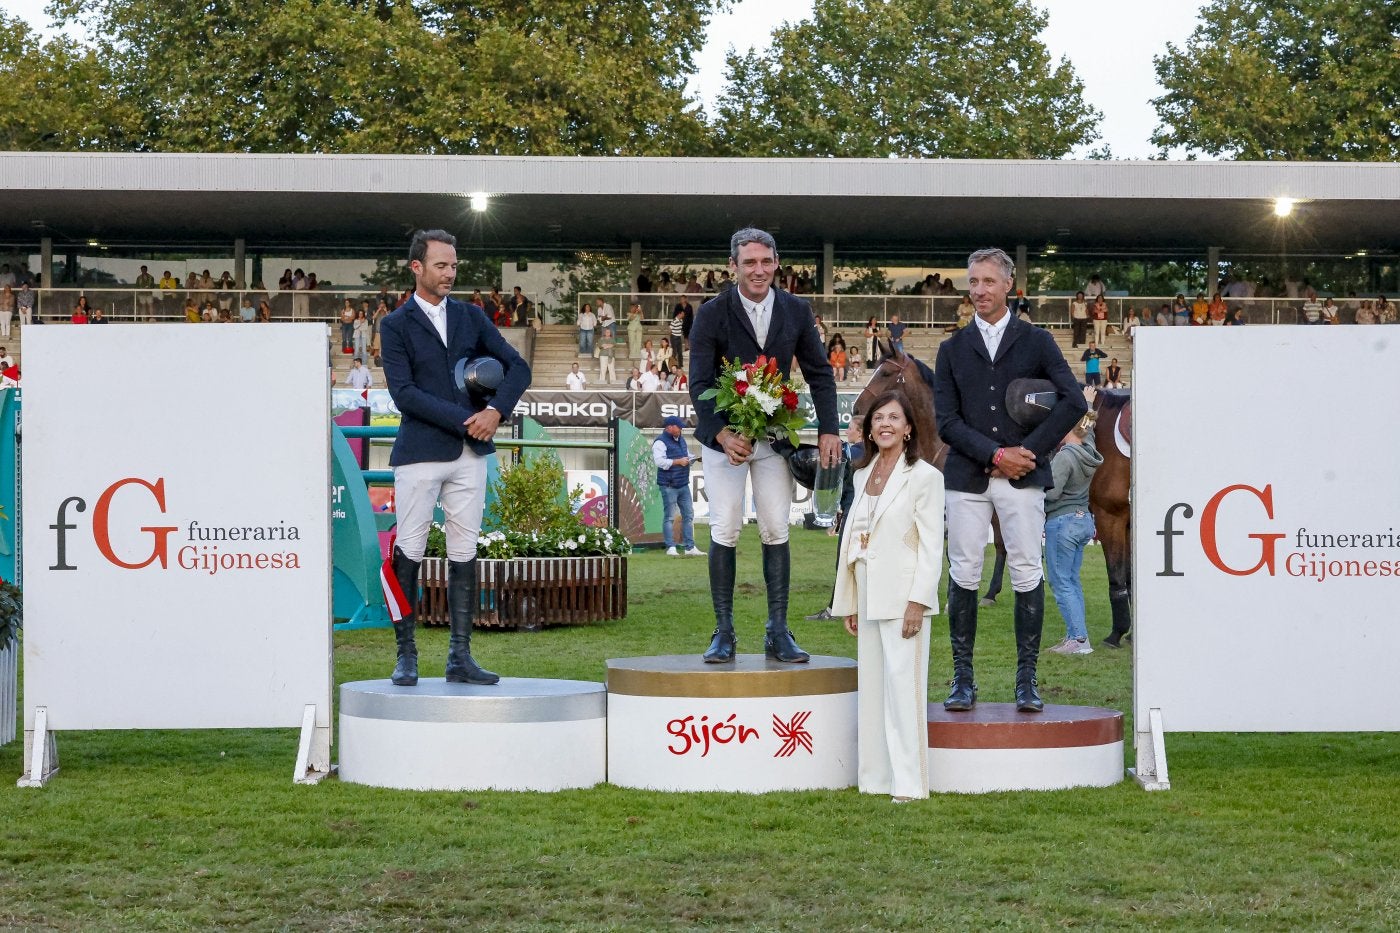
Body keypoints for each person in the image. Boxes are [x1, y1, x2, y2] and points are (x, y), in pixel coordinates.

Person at [932, 247, 1086, 713]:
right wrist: (996, 454)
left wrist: (1030, 451)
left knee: (1025, 571)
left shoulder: (1036, 340)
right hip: (968, 477)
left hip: (1023, 478)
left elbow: (1073, 401)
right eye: (973, 281)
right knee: (964, 572)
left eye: (988, 281)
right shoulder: (951, 348)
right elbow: (947, 421)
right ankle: (963, 679)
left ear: (1008, 286)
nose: (979, 290)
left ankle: (1027, 681)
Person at [379, 229, 531, 688]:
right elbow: (403, 394)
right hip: (420, 453)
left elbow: (518, 367)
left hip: (471, 455)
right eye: (441, 265)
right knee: (409, 549)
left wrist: (495, 410)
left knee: (465, 551)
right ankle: (406, 654)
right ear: (417, 268)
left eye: (454, 264)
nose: (450, 272)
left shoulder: (471, 315)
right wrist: (469, 421)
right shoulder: (394, 324)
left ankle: (459, 657)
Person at [689, 227, 839, 664]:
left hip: (774, 439)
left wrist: (829, 428)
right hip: (724, 443)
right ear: (733, 266)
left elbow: (819, 373)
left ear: (777, 264)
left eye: (766, 261)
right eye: (749, 262)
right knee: (725, 529)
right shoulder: (711, 314)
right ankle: (724, 631)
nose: (758, 270)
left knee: (776, 528)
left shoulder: (797, 309)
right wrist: (720, 433)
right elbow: (699, 383)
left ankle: (778, 630)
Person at [831, 391, 943, 802]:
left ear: (909, 427)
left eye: (894, 418)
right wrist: (852, 600)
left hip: (903, 598)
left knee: (904, 691)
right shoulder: (861, 476)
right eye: (879, 418)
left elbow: (932, 546)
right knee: (874, 692)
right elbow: (855, 541)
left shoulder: (926, 477)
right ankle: (876, 780)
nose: (886, 425)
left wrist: (919, 600)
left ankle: (910, 785)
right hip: (869, 596)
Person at [1044, 414, 1102, 656]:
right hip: (1083, 521)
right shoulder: (1088, 450)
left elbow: (1052, 493)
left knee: (1061, 583)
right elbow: (1088, 432)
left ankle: (1078, 640)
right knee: (1072, 581)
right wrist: (1087, 409)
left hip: (1062, 522)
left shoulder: (1064, 457)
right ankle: (1076, 636)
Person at [653, 416, 705, 558]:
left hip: (683, 484)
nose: (680, 429)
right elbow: (659, 462)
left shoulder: (681, 439)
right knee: (669, 517)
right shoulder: (660, 442)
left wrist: (694, 458)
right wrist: (678, 461)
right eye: (678, 427)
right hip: (669, 485)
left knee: (688, 515)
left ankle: (690, 547)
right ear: (669, 427)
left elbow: (685, 456)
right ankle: (671, 547)